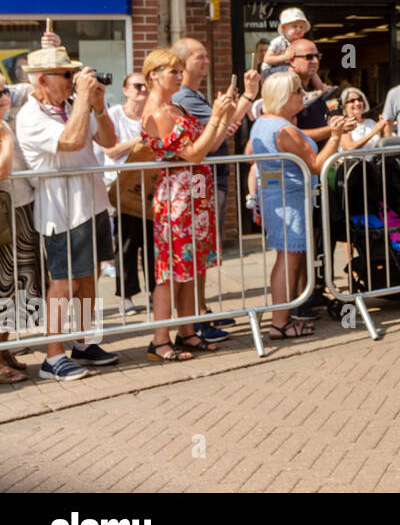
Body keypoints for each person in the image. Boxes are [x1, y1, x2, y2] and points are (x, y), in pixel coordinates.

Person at [15, 47, 119, 381]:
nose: (73, 80)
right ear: (42, 80)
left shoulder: (74, 106)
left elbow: (109, 141)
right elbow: (72, 141)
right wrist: (85, 99)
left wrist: (98, 108)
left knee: (90, 276)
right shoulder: (30, 116)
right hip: (62, 211)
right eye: (66, 75)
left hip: (93, 203)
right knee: (64, 282)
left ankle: (85, 341)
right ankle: (53, 355)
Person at [139, 47, 236, 362]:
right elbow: (193, 153)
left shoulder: (176, 106)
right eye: (173, 72)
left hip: (196, 196)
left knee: (191, 268)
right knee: (170, 271)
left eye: (181, 71)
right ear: (154, 74)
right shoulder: (157, 112)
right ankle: (159, 339)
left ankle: (187, 330)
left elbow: (210, 144)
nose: (179, 77)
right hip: (176, 201)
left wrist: (222, 116)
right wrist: (217, 119)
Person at [250, 71, 352, 339]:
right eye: (297, 92)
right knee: (289, 257)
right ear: (283, 97)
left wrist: (332, 130)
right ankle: (280, 321)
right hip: (289, 198)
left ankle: (284, 317)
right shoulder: (283, 129)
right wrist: (335, 137)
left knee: (288, 256)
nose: (302, 96)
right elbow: (316, 165)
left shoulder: (265, 122)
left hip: (279, 195)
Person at [172, 38, 262, 340]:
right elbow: (217, 131)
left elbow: (222, 130)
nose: (207, 61)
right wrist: (248, 98)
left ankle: (201, 311)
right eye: (201, 57)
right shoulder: (185, 97)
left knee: (204, 252)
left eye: (207, 56)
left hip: (211, 178)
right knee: (198, 252)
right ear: (184, 63)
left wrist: (227, 116)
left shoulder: (195, 95)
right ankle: (195, 317)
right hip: (200, 180)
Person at [95, 73, 155, 314]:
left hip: (149, 187)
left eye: (145, 86)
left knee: (152, 243)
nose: (142, 90)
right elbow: (111, 150)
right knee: (126, 245)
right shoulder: (114, 115)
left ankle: (154, 294)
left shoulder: (152, 115)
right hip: (122, 188)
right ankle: (126, 298)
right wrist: (140, 139)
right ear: (125, 90)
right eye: (137, 86)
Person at [0, 76, 39, 383]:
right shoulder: (4, 129)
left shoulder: (6, 123)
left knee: (12, 288)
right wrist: (7, 139)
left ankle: (4, 349)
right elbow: (3, 168)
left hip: (18, 211)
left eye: (4, 90)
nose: (3, 96)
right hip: (2, 217)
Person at [288, 39, 335, 144]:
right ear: (292, 61)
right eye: (309, 57)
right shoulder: (287, 91)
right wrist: (332, 130)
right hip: (301, 158)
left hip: (324, 157)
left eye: (317, 57)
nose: (315, 61)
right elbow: (290, 134)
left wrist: (339, 118)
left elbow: (334, 111)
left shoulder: (319, 88)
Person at [260, 7, 320, 90]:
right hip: (271, 70)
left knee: (310, 69)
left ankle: (321, 87)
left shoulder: (299, 43)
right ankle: (301, 90)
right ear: (284, 28)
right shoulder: (279, 42)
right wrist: (285, 57)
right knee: (293, 71)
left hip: (288, 68)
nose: (299, 29)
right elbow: (267, 59)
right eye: (294, 26)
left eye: (301, 27)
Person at [339, 88, 388, 157]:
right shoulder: (343, 125)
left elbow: (380, 146)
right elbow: (350, 148)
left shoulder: (371, 122)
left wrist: (384, 128)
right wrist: (374, 131)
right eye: (352, 101)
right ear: (345, 106)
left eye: (360, 99)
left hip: (373, 165)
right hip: (354, 166)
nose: (357, 103)